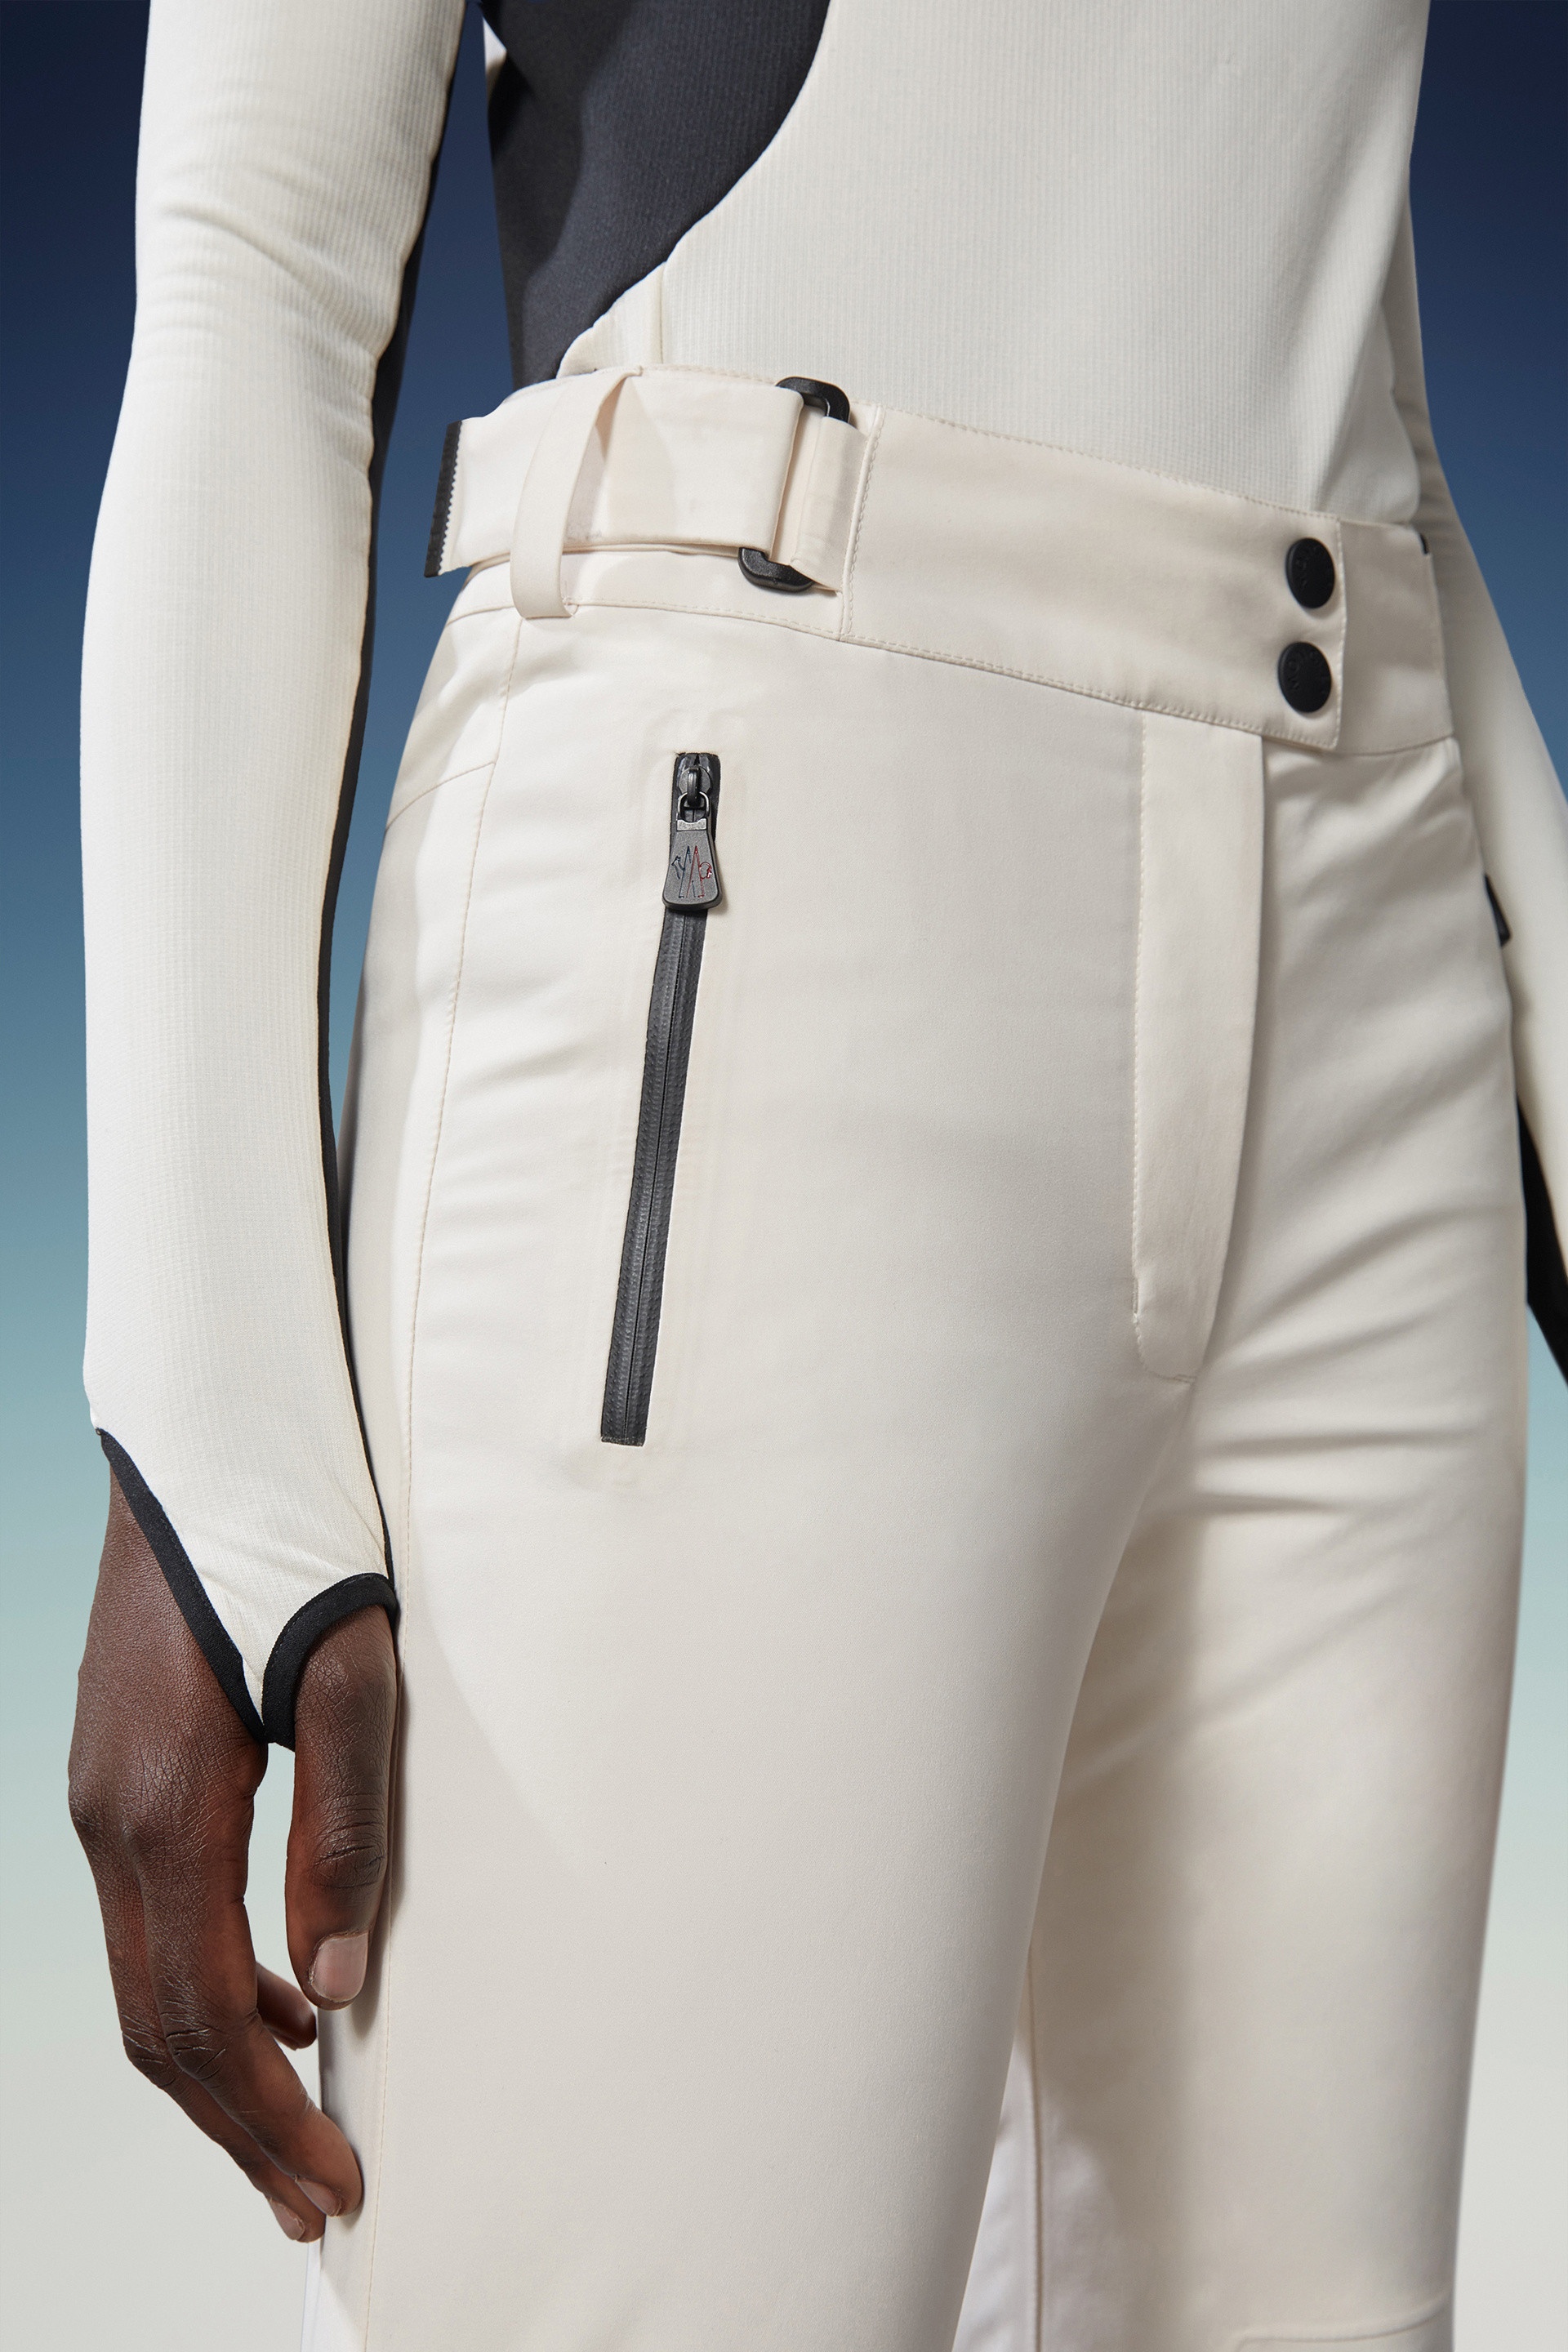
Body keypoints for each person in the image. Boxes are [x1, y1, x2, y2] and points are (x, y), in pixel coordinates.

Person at [68, 4, 1567, 2348]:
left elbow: (1322, 322)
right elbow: (258, 264)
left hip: (1365, 986)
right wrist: (209, 1442)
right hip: (755, 890)